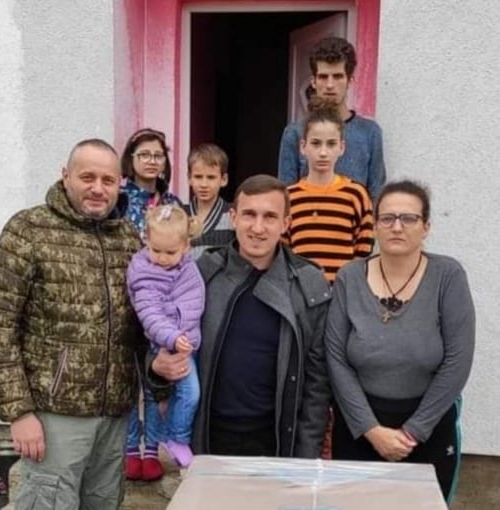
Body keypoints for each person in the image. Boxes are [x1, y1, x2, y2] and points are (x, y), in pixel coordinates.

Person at [0, 139, 142, 509]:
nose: (98, 188)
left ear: (119, 184)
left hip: (113, 418)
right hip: (53, 416)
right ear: (65, 176)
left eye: (108, 180)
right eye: (87, 177)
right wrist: (19, 413)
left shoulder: (128, 239)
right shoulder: (29, 230)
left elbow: (143, 322)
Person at [147, 174, 332, 458]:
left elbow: (317, 382)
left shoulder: (308, 283)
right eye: (249, 214)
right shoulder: (202, 273)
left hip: (276, 442)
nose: (258, 227)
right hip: (209, 437)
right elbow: (156, 332)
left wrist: (306, 456)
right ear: (233, 217)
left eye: (270, 217)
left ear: (286, 223)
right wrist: (156, 368)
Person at [325, 180, 475, 503]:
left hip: (428, 427)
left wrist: (413, 432)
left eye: (408, 218)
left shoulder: (448, 276)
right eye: (387, 218)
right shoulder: (350, 277)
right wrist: (370, 429)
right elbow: (335, 357)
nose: (397, 227)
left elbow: (458, 361)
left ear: (426, 227)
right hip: (359, 427)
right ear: (375, 225)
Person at [119, 127, 182, 481]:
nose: (151, 161)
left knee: (156, 382)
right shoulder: (118, 200)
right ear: (131, 159)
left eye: (158, 155)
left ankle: (153, 449)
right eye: (144, 154)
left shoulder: (173, 204)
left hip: (163, 305)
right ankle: (131, 448)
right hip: (127, 299)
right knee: (129, 378)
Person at [127, 204, 205, 470]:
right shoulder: (146, 272)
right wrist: (172, 337)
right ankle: (177, 438)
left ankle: (164, 436)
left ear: (186, 246)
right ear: (146, 241)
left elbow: (193, 300)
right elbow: (149, 313)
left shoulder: (187, 266)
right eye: (155, 250)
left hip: (186, 340)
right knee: (190, 393)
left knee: (176, 396)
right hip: (168, 342)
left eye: (170, 252)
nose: (161, 258)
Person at [278, 36, 386, 199]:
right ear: (313, 81)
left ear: (350, 81)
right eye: (323, 77)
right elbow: (285, 195)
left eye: (337, 76)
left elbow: (376, 193)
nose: (330, 85)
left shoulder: (370, 132)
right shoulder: (294, 132)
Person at [285, 107, 374, 284]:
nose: (323, 152)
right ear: (303, 147)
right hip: (300, 291)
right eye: (316, 143)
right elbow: (283, 250)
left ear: (342, 147)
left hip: (342, 292)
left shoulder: (356, 194)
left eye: (331, 144)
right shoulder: (289, 196)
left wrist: (347, 286)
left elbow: (364, 250)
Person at [185, 143, 235, 259]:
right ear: (189, 178)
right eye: (198, 177)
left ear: (223, 179)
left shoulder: (232, 215)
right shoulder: (180, 215)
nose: (204, 184)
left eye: (211, 177)